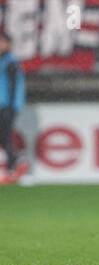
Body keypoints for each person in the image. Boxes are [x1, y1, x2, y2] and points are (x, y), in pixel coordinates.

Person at [0, 31, 28, 184]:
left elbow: (13, 87)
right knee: (3, 138)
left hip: (6, 106)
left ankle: (13, 167)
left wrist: (10, 108)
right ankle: (13, 166)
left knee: (4, 137)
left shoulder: (10, 62)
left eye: (2, 42)